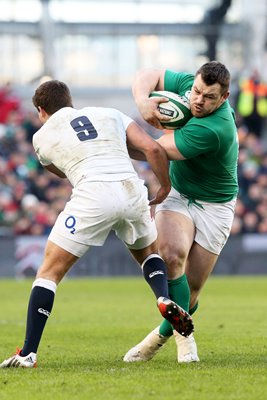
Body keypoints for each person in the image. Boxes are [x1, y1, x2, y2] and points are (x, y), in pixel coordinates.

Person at [0, 80, 194, 369]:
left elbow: (61, 172)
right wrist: (164, 186)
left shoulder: (41, 137)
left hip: (93, 193)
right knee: (148, 254)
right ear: (70, 101)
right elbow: (152, 149)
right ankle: (164, 298)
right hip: (131, 188)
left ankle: (28, 353)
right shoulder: (110, 113)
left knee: (49, 272)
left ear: (42, 110)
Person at [123, 61, 239, 363]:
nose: (198, 100)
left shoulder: (216, 128)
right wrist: (142, 102)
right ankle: (185, 343)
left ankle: (158, 336)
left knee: (192, 291)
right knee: (171, 255)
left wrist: (113, 143)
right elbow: (148, 73)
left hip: (216, 204)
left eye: (209, 97)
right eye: (197, 91)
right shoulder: (190, 85)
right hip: (179, 193)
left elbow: (154, 151)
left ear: (223, 98)